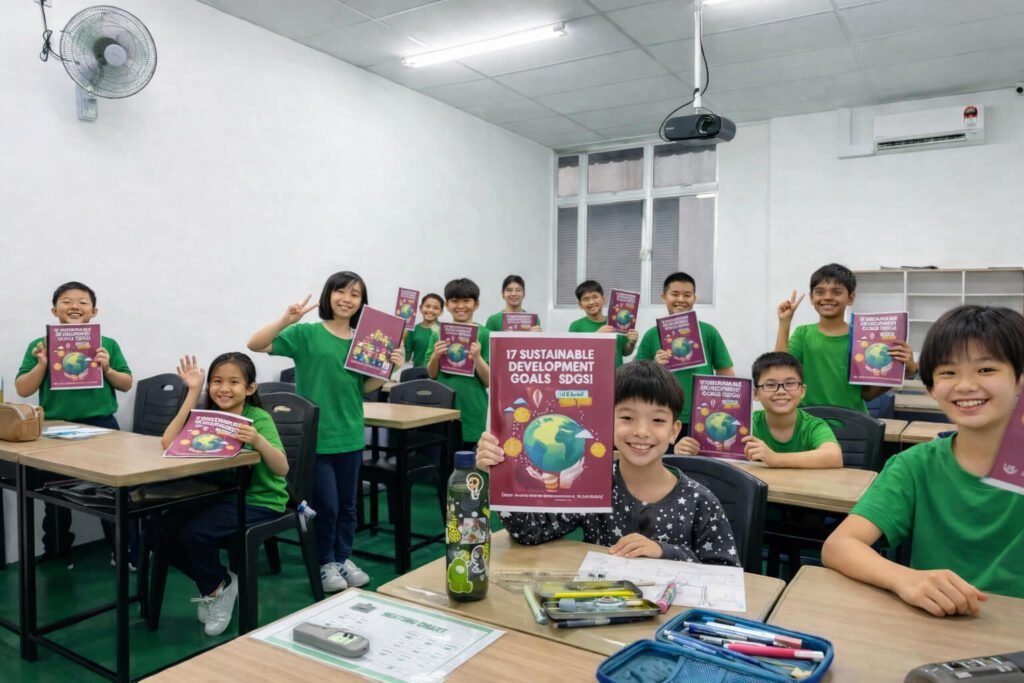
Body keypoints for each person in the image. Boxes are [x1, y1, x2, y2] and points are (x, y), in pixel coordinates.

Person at [822, 305, 1024, 614]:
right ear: (931, 387)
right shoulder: (914, 466)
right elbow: (838, 546)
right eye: (948, 372)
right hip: (936, 626)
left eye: (986, 369)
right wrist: (905, 579)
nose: (965, 385)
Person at [477, 361, 739, 564]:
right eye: (627, 418)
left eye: (658, 420)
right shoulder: (591, 485)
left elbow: (725, 573)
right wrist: (501, 471)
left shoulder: (700, 501)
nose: (642, 431)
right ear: (606, 421)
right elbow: (529, 532)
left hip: (670, 624)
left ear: (674, 430)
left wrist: (664, 552)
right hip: (602, 615)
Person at [247, 271, 403, 593]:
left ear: (362, 302)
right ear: (328, 295)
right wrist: (286, 319)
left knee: (348, 505)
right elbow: (255, 344)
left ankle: (343, 558)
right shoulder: (306, 334)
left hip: (350, 433)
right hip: (316, 437)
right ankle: (325, 562)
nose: (347, 299)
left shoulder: (366, 341)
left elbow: (364, 387)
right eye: (341, 291)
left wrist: (390, 367)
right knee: (327, 506)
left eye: (355, 294)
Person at [157, 353, 289, 636]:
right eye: (217, 381)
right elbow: (168, 442)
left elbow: (281, 467)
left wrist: (257, 440)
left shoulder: (257, 418)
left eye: (233, 382)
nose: (224, 388)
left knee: (195, 533)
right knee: (158, 529)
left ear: (250, 388)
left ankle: (215, 587)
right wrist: (194, 391)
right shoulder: (208, 418)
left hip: (261, 500)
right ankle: (218, 584)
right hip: (221, 496)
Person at [15, 281, 133, 567]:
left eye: (82, 301)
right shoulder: (39, 345)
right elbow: (22, 388)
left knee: (112, 492)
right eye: (66, 301)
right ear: (54, 310)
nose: (75, 306)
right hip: (53, 429)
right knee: (52, 491)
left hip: (102, 426)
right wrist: (42, 364)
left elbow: (126, 383)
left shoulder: (108, 344)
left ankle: (124, 551)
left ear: (94, 311)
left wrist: (107, 368)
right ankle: (57, 552)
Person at [775, 263, 915, 412]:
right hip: (809, 424)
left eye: (836, 292)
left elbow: (867, 394)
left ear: (851, 298)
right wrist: (784, 322)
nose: (827, 297)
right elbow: (779, 371)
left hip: (853, 423)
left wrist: (902, 370)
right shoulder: (803, 334)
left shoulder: (862, 339)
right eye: (820, 292)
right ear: (811, 298)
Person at [675, 352, 841, 468]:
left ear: (802, 390)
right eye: (770, 385)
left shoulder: (813, 426)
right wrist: (687, 450)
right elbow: (716, 453)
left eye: (790, 383)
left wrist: (776, 459)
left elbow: (834, 457)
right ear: (755, 393)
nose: (781, 391)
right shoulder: (746, 425)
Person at [636, 272, 734, 436]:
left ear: (694, 298)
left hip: (703, 417)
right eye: (675, 294)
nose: (681, 299)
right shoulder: (652, 335)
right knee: (665, 461)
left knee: (698, 462)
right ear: (664, 297)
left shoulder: (709, 332)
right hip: (662, 416)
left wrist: (723, 407)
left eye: (687, 295)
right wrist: (653, 366)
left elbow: (726, 372)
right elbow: (636, 379)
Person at [427, 278, 489, 451]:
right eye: (455, 301)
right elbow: (432, 374)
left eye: (466, 300)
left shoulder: (484, 335)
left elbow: (489, 381)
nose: (460, 306)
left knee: (470, 463)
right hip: (443, 406)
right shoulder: (438, 333)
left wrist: (477, 358)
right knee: (443, 457)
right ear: (446, 305)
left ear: (476, 304)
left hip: (472, 407)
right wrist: (435, 356)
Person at [568, 280, 637, 368]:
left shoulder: (616, 322)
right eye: (586, 299)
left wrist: (632, 342)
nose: (591, 302)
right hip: (591, 377)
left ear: (603, 299)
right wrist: (597, 337)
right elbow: (574, 356)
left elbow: (625, 352)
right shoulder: (576, 326)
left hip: (616, 376)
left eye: (595, 297)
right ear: (580, 305)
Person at [404, 293, 443, 367]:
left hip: (437, 375)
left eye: (436, 308)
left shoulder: (444, 330)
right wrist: (402, 337)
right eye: (427, 306)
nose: (431, 310)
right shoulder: (413, 330)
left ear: (441, 311)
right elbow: (406, 358)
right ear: (420, 308)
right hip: (417, 373)